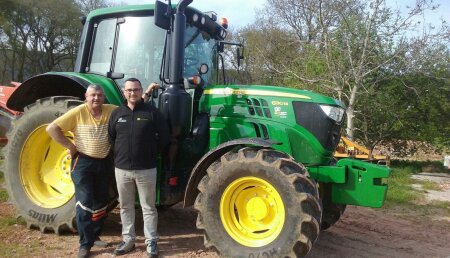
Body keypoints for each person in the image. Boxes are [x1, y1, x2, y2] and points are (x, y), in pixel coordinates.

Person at [46, 84, 117, 258]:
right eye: (93, 95)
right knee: (84, 203)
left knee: (101, 201)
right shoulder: (78, 112)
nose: (96, 98)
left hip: (104, 162)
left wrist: (145, 95)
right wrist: (70, 146)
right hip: (83, 162)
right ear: (86, 96)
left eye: (99, 95)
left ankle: (95, 234)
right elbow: (51, 128)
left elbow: (130, 112)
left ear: (103, 97)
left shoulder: (111, 110)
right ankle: (85, 244)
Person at [108, 78, 170, 257]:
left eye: (135, 90)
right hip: (122, 170)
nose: (132, 93)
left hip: (146, 169)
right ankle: (128, 240)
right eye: (129, 90)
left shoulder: (152, 112)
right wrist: (120, 156)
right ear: (124, 91)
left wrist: (151, 153)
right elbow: (111, 138)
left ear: (141, 90)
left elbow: (164, 136)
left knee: (148, 207)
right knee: (125, 206)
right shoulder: (117, 113)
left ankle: (151, 242)